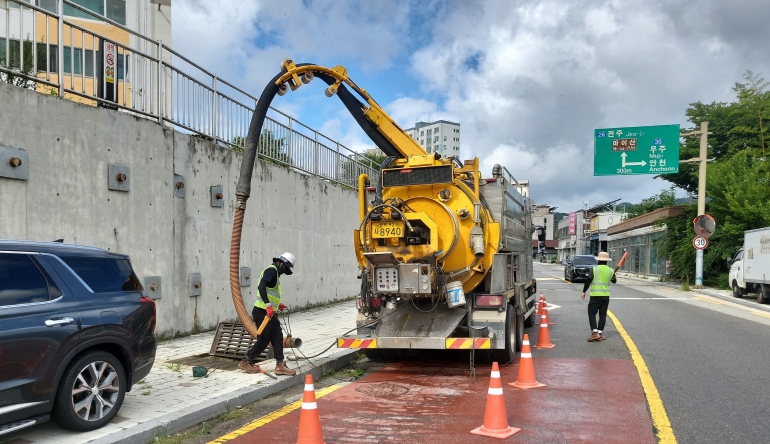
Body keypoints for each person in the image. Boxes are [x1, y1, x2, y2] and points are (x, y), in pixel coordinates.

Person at [239, 252, 297, 376]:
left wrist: (277, 304)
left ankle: (280, 365)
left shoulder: (274, 273)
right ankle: (245, 361)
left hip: (269, 312)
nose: (284, 272)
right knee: (264, 339)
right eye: (285, 269)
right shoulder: (272, 271)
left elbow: (271, 293)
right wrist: (268, 305)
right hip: (263, 312)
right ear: (281, 264)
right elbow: (261, 287)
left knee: (277, 336)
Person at [581, 251, 617, 342]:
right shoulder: (610, 270)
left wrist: (584, 291)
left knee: (592, 313)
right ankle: (600, 333)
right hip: (605, 296)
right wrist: (613, 275)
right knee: (603, 314)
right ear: (607, 261)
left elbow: (588, 280)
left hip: (595, 295)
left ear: (598, 260)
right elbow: (614, 281)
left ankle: (594, 333)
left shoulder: (594, 269)